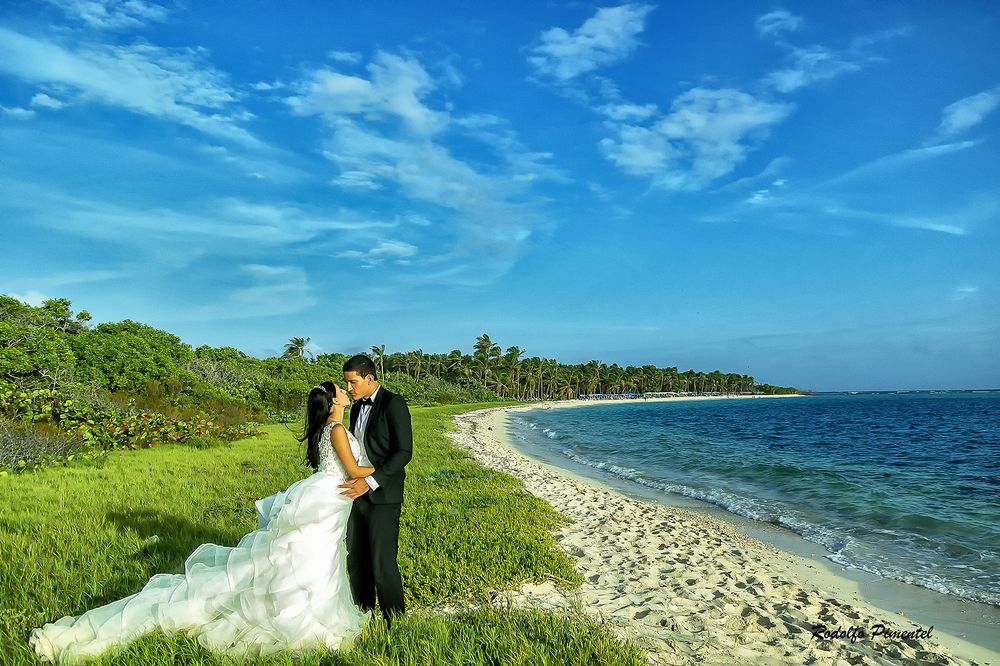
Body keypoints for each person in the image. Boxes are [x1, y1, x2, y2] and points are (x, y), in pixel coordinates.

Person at [30, 384, 370, 664]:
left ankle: (312, 618)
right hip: (329, 497)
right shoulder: (336, 429)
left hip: (329, 499)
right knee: (311, 558)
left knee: (314, 559)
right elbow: (353, 472)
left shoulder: (331, 429)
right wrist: (381, 472)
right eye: (342, 389)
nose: (346, 390)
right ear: (333, 403)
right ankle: (308, 623)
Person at [340, 354, 412, 625]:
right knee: (356, 561)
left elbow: (404, 452)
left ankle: (395, 622)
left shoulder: (394, 404)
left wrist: (368, 482)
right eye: (347, 384)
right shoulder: (357, 408)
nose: (349, 388)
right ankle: (363, 617)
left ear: (370, 378)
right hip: (356, 494)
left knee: (382, 564)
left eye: (353, 382)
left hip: (383, 494)